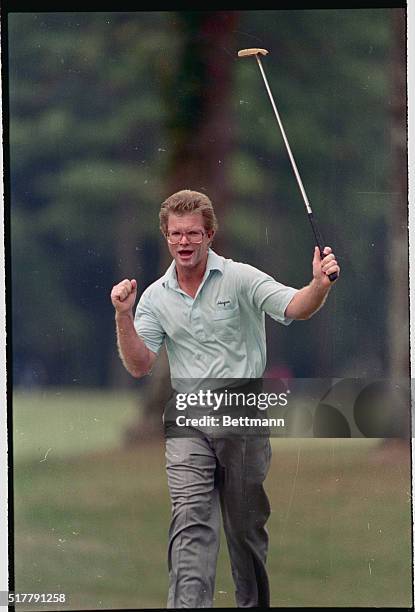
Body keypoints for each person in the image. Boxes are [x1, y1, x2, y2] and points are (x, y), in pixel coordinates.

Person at [110, 189, 340, 608]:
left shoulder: (241, 277)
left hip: (243, 411)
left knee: (244, 531)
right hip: (189, 417)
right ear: (166, 235)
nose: (184, 242)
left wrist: (319, 285)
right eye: (176, 234)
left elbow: (294, 307)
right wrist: (123, 316)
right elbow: (140, 363)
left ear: (210, 234)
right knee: (190, 523)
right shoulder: (156, 297)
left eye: (193, 233)